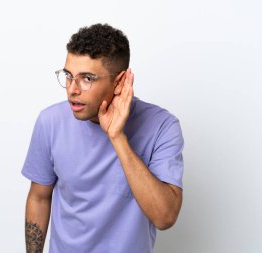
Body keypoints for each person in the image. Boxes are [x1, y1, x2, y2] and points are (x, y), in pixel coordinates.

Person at [21, 23, 184, 253]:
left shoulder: (162, 126)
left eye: (87, 78)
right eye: (68, 76)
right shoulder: (50, 122)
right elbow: (39, 198)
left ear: (119, 82)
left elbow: (164, 217)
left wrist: (117, 136)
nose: (72, 89)